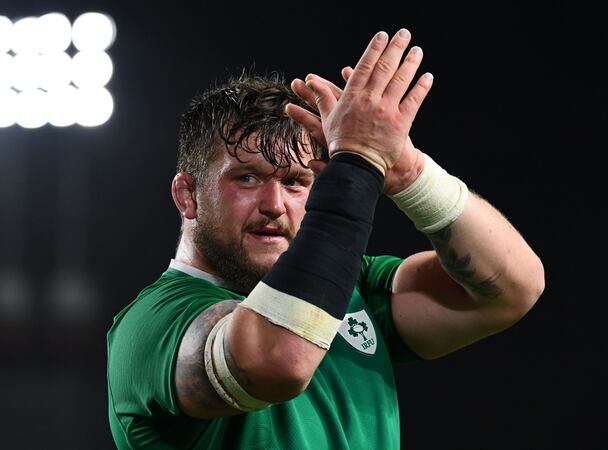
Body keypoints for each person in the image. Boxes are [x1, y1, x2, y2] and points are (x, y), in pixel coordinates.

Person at [106, 28, 544, 449]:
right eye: (246, 178)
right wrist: (358, 164)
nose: (274, 204)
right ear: (187, 195)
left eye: (295, 182)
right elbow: (279, 360)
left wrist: (411, 174)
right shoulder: (151, 325)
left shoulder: (353, 288)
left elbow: (513, 289)